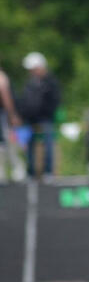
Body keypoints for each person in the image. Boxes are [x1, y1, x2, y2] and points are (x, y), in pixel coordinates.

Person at [18, 51, 60, 181]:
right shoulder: (30, 83)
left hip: (45, 119)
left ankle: (48, 172)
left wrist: (47, 113)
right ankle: (31, 172)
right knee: (29, 147)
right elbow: (25, 100)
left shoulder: (50, 82)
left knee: (48, 145)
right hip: (30, 120)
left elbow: (55, 100)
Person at [0, 68, 23, 184]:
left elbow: (5, 96)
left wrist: (12, 114)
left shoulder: (1, 77)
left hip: (3, 116)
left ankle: (17, 170)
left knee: (8, 143)